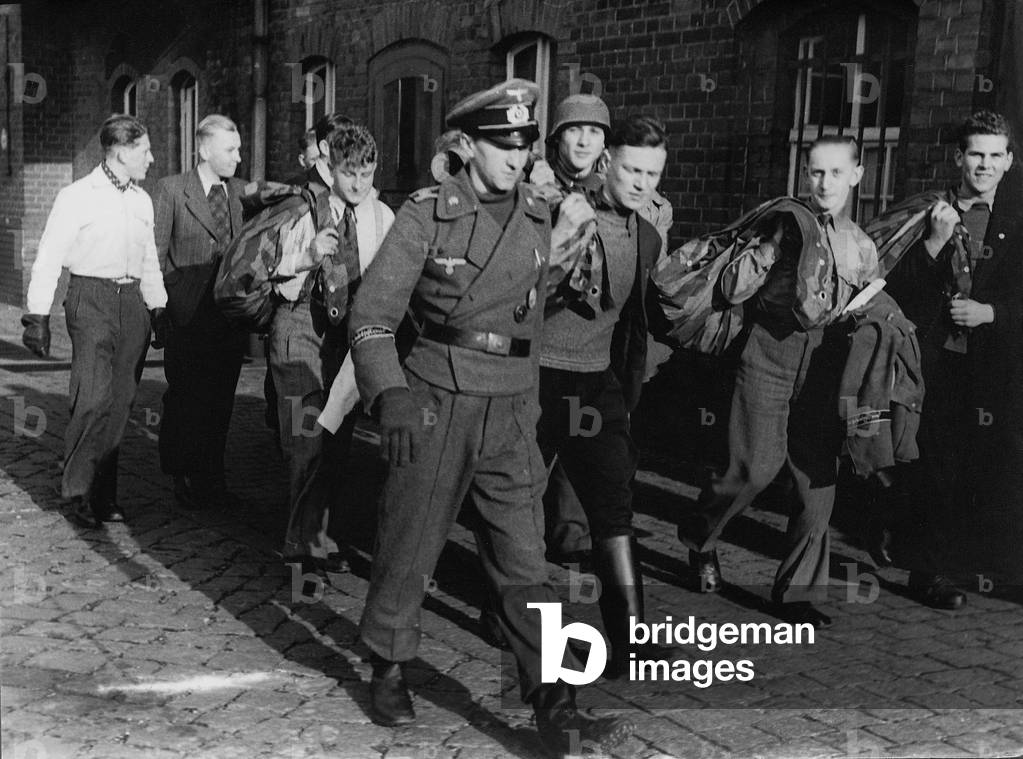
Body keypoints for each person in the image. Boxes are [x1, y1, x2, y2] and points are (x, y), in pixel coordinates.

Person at [348, 79, 634, 756]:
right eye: (500, 143)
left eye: (522, 143)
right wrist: (389, 391)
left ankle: (552, 702)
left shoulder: (539, 217)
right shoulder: (426, 215)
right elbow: (371, 317)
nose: (513, 155)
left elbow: (536, 311)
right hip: (436, 396)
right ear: (466, 145)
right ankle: (388, 660)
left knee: (523, 558)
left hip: (509, 403)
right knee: (410, 540)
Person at [676, 135, 880, 628]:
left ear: (856, 176)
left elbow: (867, 311)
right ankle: (699, 538)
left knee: (816, 484)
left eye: (835, 172)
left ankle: (796, 594)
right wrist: (769, 250)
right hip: (770, 350)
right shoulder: (781, 223)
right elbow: (730, 287)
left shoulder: (863, 245)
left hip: (825, 364)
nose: (824, 182)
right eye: (815, 172)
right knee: (753, 470)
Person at [536, 114, 667, 677]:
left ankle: (632, 641)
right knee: (515, 502)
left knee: (614, 503)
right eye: (633, 169)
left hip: (596, 383)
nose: (642, 183)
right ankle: (512, 615)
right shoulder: (557, 210)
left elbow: (637, 324)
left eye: (653, 174)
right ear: (608, 161)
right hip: (535, 377)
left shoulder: (648, 234)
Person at [879, 110, 1023, 607]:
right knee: (934, 465)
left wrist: (992, 313)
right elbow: (895, 292)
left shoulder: (1018, 220)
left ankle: (998, 568)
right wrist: (935, 245)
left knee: (999, 466)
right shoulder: (928, 213)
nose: (983, 165)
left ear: (1009, 161)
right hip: (937, 361)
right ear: (959, 158)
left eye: (994, 156)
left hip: (1000, 368)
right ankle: (929, 572)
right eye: (975, 154)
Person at [21, 114, 167, 527]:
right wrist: (37, 315)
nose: (152, 159)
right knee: (91, 398)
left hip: (132, 301)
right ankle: (79, 488)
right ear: (121, 152)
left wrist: (158, 306)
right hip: (90, 300)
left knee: (119, 403)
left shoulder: (142, 200)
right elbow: (49, 255)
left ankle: (104, 495)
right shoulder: (76, 196)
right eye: (145, 150)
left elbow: (150, 260)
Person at [270, 117, 393, 576]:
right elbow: (275, 279)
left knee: (336, 441)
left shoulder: (383, 217)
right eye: (348, 174)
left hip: (348, 336)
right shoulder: (306, 211)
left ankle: (318, 536)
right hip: (302, 326)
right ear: (331, 168)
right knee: (308, 438)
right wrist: (306, 257)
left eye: (367, 174)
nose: (358, 184)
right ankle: (299, 544)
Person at [152, 114, 247, 511]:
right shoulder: (172, 190)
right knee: (187, 398)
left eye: (239, 149)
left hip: (228, 318)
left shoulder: (241, 193)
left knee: (220, 401)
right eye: (231, 150)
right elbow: (153, 254)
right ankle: (183, 474)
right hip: (187, 316)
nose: (238, 158)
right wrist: (160, 312)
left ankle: (212, 478)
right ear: (205, 150)